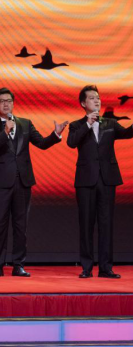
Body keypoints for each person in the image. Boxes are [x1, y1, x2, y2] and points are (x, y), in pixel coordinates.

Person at [0, 88, 67, 277]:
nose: (6, 104)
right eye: (2, 101)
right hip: (2, 183)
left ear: (13, 103)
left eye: (9, 100)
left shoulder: (25, 123)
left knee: (21, 226)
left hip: (23, 182)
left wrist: (56, 135)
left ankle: (18, 265)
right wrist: (5, 132)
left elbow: (42, 143)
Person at [67, 85, 133, 279]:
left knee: (106, 224)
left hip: (107, 179)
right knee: (86, 224)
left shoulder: (110, 123)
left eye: (98, 98)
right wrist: (88, 124)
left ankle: (106, 268)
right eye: (92, 98)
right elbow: (71, 142)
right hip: (85, 180)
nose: (97, 100)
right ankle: (86, 268)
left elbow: (127, 133)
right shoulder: (77, 125)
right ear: (83, 103)